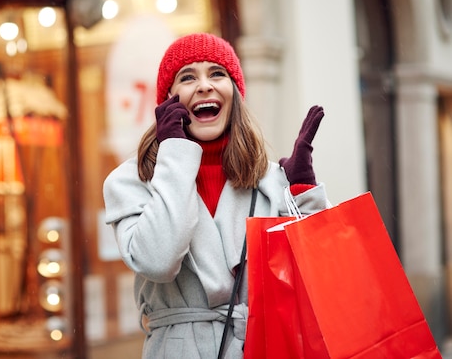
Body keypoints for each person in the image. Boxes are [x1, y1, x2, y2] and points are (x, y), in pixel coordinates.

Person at [103, 33, 329, 358]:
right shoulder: (130, 182)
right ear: (168, 100)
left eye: (217, 73)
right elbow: (158, 261)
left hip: (264, 347)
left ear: (235, 94)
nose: (205, 85)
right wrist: (175, 153)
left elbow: (317, 273)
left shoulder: (269, 180)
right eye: (188, 76)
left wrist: (303, 193)